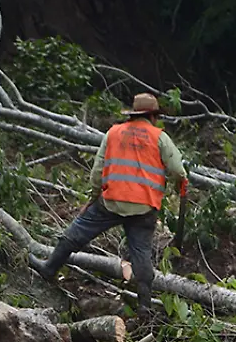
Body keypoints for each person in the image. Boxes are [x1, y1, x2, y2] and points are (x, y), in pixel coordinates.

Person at [34, 92, 187, 320]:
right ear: (153, 116)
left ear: (134, 114)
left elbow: (98, 170)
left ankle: (50, 268)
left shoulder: (113, 133)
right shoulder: (160, 138)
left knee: (78, 231)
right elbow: (178, 170)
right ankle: (145, 307)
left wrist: (94, 194)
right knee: (141, 254)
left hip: (112, 201)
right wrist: (179, 186)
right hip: (143, 207)